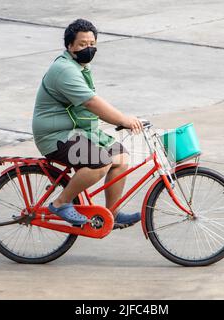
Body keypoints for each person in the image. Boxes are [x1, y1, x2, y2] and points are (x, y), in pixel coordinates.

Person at [32, 19, 143, 229]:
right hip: (55, 136)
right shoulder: (64, 70)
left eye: (92, 43)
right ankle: (61, 203)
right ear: (69, 46)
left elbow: (90, 103)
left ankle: (112, 213)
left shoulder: (80, 66)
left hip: (76, 132)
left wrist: (121, 119)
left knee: (120, 156)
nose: (89, 48)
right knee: (100, 162)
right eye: (82, 44)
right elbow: (91, 102)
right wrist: (123, 120)